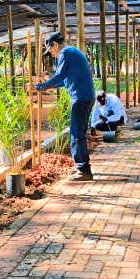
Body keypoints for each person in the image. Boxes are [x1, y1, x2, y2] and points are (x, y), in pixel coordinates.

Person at [34, 32, 95, 181]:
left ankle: (83, 169)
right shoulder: (72, 52)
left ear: (55, 45)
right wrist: (45, 85)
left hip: (80, 98)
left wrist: (39, 87)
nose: (53, 55)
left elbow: (59, 77)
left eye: (51, 51)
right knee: (78, 132)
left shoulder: (65, 53)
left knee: (76, 134)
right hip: (85, 97)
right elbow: (63, 81)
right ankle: (82, 166)